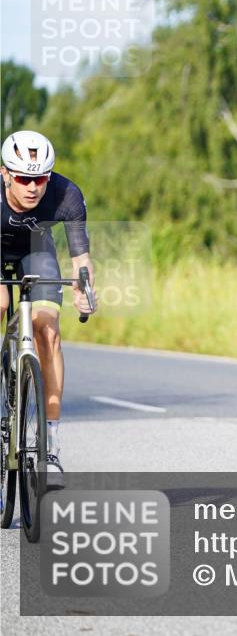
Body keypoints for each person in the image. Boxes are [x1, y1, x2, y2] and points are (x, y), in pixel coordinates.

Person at [1, 130, 97, 486]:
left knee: (48, 330)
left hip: (35, 248)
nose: (33, 187)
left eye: (40, 177)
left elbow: (81, 261)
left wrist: (84, 291)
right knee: (0, 301)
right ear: (6, 173)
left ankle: (51, 447)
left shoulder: (66, 195)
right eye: (24, 177)